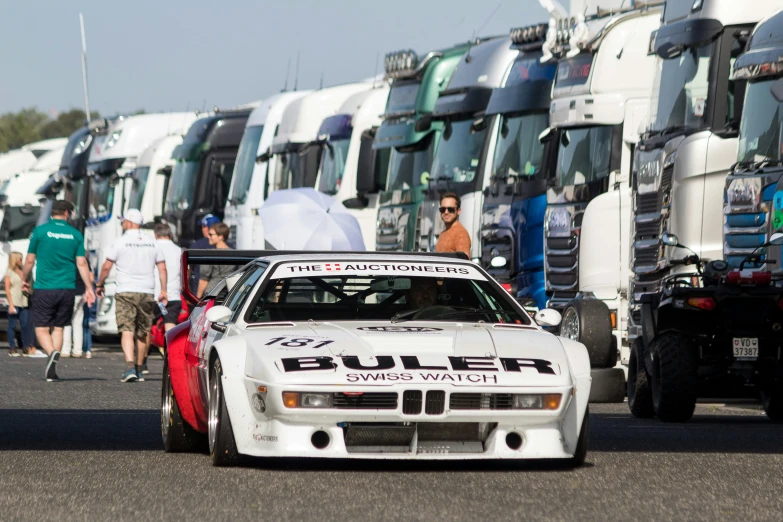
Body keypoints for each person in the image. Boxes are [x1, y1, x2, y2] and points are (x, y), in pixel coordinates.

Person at [22, 200, 95, 381]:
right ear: (67, 214)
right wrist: (88, 288)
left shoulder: (40, 232)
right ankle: (53, 366)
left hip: (44, 288)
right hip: (67, 289)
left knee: (41, 328)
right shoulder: (75, 234)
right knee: (59, 327)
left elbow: (30, 260)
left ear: (52, 212)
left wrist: (24, 279)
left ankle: (51, 352)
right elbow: (82, 263)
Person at [96, 209, 167, 383]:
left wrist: (100, 284)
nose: (122, 224)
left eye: (123, 221)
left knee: (127, 330)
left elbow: (106, 266)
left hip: (125, 291)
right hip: (146, 291)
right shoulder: (152, 242)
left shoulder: (120, 242)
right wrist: (163, 289)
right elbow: (162, 268)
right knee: (143, 331)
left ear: (129, 222)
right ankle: (140, 368)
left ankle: (129, 367)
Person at [153, 223, 182, 332]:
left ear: (156, 235)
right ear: (170, 235)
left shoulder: (151, 248)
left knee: (145, 327)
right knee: (170, 327)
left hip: (153, 294)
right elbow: (186, 274)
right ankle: (169, 349)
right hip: (173, 294)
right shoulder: (179, 250)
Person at [62, 259, 94, 358]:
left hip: (69, 291)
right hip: (81, 292)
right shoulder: (84, 260)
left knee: (67, 322)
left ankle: (66, 349)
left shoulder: (67, 258)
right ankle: (77, 350)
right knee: (78, 322)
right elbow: (91, 277)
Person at [5, 252, 34, 357]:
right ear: (14, 260)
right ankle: (12, 347)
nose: (21, 261)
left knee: (25, 325)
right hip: (14, 301)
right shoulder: (9, 272)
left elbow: (30, 285)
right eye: (20, 259)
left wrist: (28, 286)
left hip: (24, 302)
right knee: (12, 325)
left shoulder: (23, 272)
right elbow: (7, 289)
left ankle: (25, 347)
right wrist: (11, 304)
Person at [197, 222, 235, 298]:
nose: (208, 236)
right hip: (230, 294)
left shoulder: (210, 254)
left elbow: (204, 280)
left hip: (212, 293)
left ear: (220, 236)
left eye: (211, 234)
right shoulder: (235, 253)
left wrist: (197, 299)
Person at [435, 192, 471, 257]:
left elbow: (463, 264)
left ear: (458, 211)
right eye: (443, 209)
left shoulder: (461, 234)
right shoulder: (442, 234)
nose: (446, 212)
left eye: (450, 209)